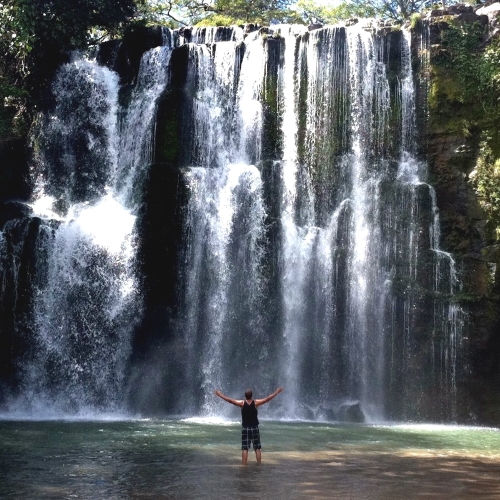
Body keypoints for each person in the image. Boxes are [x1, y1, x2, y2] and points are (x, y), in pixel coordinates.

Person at [214, 387, 284, 465]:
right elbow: (267, 399)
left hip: (245, 428)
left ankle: (244, 466)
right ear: (252, 396)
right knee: (257, 448)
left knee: (245, 448)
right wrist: (276, 392)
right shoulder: (256, 403)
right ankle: (259, 465)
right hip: (254, 427)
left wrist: (220, 395)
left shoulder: (242, 403)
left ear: (245, 396)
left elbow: (231, 401)